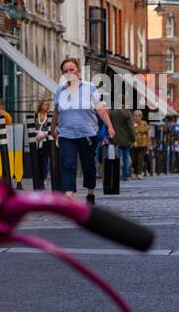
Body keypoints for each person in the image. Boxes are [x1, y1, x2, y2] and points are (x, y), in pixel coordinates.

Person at [54, 57, 114, 203]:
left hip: (87, 134)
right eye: (65, 71)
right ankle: (68, 195)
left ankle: (90, 192)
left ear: (78, 71)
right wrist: (52, 129)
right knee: (68, 164)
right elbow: (56, 111)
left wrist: (110, 126)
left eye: (72, 70)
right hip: (66, 134)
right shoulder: (60, 90)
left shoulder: (89, 88)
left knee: (88, 165)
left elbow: (100, 109)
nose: (69, 73)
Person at [109, 105, 135, 181]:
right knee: (126, 157)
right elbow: (131, 127)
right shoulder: (127, 113)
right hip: (126, 139)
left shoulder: (112, 113)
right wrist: (133, 138)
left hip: (115, 138)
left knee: (117, 157)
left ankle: (117, 174)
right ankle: (126, 175)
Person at [34, 98, 53, 185]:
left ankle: (43, 178)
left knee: (44, 161)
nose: (46, 106)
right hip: (35, 140)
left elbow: (52, 129)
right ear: (40, 105)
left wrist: (44, 135)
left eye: (47, 104)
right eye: (44, 104)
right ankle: (37, 179)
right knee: (36, 160)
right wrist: (36, 136)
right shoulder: (35, 115)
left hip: (45, 141)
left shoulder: (50, 116)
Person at [132, 109, 149, 179]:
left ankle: (139, 173)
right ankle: (135, 173)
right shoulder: (132, 123)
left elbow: (146, 132)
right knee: (134, 159)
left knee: (140, 159)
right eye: (135, 116)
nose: (137, 117)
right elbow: (131, 132)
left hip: (143, 144)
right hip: (134, 144)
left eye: (138, 116)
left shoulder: (144, 123)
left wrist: (148, 143)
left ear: (141, 116)